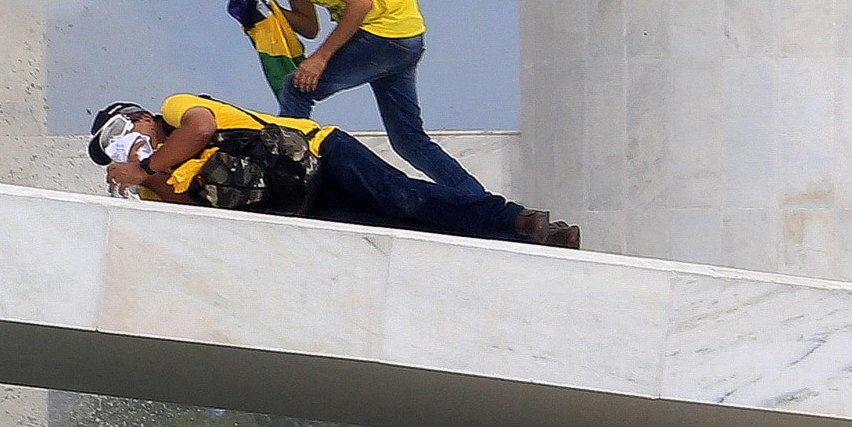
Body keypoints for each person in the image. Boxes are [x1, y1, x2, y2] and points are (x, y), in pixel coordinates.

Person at [209, 0, 483, 194]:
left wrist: (320, 58)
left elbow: (360, 3)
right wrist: (263, 4)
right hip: (401, 36)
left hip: (386, 32)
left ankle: (289, 176)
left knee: (297, 86)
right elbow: (308, 26)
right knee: (408, 141)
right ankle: (482, 202)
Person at [88, 95, 579, 248]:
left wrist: (148, 163)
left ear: (143, 118)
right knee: (403, 229)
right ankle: (533, 242)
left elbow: (201, 128)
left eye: (123, 131)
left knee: (403, 198)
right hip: (299, 204)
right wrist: (148, 179)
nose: (126, 143)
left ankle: (518, 218)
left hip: (320, 154)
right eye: (115, 145)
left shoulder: (176, 110)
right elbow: (195, 208)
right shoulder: (154, 184)